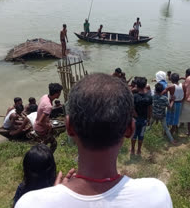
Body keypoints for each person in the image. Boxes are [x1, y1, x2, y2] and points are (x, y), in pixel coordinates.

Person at [15, 73, 173, 208]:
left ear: (69, 127)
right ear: (130, 130)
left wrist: (54, 197)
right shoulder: (155, 195)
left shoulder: (30, 203)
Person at [34, 83, 63, 153]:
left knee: (45, 143)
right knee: (53, 144)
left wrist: (47, 121)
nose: (60, 94)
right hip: (41, 129)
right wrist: (49, 125)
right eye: (60, 93)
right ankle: (46, 156)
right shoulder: (48, 106)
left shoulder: (45, 97)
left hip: (37, 125)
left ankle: (41, 152)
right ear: (56, 94)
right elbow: (40, 122)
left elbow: (40, 111)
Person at [132, 77, 152, 155]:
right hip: (144, 119)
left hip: (135, 119)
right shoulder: (149, 97)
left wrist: (135, 115)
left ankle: (133, 149)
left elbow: (131, 108)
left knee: (134, 135)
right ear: (144, 86)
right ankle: (139, 150)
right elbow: (150, 109)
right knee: (141, 135)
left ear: (137, 85)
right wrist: (149, 119)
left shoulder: (135, 96)